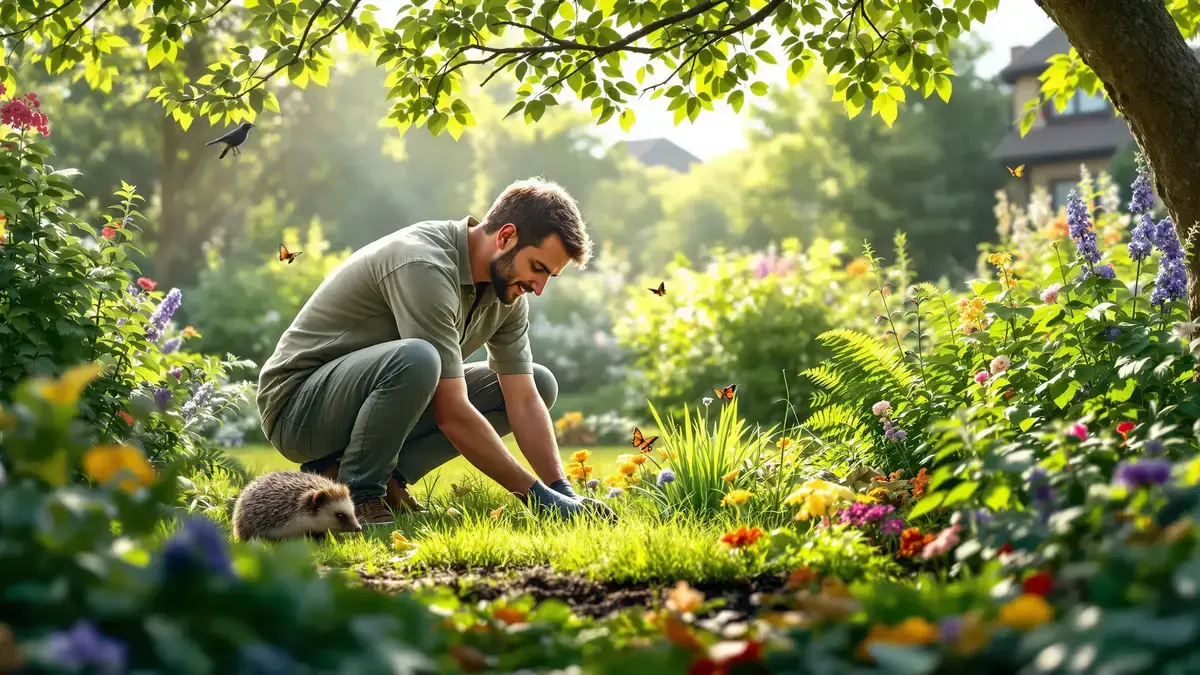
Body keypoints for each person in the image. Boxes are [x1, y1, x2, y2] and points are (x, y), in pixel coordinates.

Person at [255, 177, 616, 526]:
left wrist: (562, 491)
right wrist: (540, 499)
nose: (539, 288)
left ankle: (381, 479)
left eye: (549, 276)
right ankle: (361, 493)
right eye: (537, 268)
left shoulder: (507, 292)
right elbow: (452, 412)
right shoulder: (424, 264)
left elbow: (522, 400)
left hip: (359, 401)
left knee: (540, 382)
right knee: (418, 359)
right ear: (506, 236)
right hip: (297, 409)